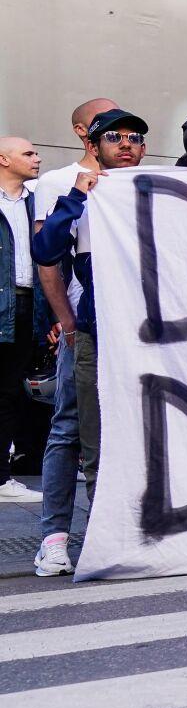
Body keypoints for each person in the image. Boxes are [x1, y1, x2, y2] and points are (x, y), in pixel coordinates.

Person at [31, 109, 150, 576]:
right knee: (85, 436)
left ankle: (131, 532)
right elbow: (46, 253)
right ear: (93, 144)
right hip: (95, 335)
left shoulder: (155, 189)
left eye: (136, 137)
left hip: (147, 337)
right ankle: (73, 538)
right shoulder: (73, 190)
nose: (126, 144)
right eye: (114, 136)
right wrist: (75, 199)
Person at [0, 136, 45, 502]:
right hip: (5, 301)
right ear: (3, 159)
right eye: (28, 153)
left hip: (26, 303)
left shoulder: (37, 201)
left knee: (10, 391)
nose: (37, 157)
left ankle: (2, 476)